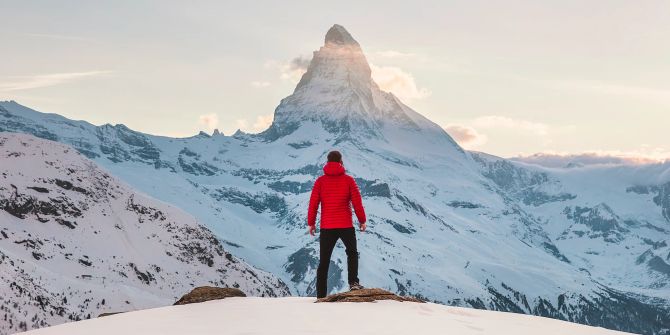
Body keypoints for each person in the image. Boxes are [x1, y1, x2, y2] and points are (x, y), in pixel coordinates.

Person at [308, 150, 367, 299]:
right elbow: (357, 203)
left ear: (327, 162)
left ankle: (321, 295)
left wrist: (311, 223)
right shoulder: (349, 180)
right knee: (352, 253)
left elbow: (313, 204)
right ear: (341, 162)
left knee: (324, 260)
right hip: (346, 225)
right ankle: (353, 282)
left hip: (327, 227)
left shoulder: (320, 181)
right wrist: (362, 220)